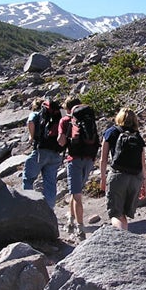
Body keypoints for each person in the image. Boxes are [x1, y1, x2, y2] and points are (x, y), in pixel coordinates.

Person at [57, 96, 98, 240]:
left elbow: (61, 142)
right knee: (77, 192)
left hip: (74, 159)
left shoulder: (66, 121)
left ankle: (80, 229)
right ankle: (71, 219)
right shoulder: (88, 118)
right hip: (89, 159)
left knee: (76, 195)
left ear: (68, 108)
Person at [99, 108, 146, 230]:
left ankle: (121, 241)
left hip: (118, 176)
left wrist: (103, 178)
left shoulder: (110, 132)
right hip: (135, 178)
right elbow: (143, 162)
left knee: (115, 214)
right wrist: (144, 183)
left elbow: (103, 159)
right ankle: (125, 237)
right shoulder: (137, 136)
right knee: (123, 214)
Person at [22, 98, 63, 210]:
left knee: (28, 179)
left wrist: (31, 137)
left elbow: (30, 122)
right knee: (50, 183)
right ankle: (49, 210)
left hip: (40, 151)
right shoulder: (56, 115)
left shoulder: (35, 114)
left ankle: (27, 206)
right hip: (55, 152)